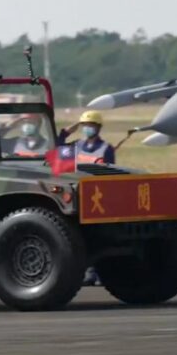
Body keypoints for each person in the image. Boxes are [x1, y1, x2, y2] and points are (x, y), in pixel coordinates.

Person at [59, 110, 116, 286]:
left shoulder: (106, 149)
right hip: (79, 196)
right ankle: (86, 272)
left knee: (98, 237)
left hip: (99, 198)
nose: (87, 129)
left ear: (98, 128)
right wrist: (69, 130)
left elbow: (110, 173)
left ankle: (97, 272)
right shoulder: (75, 146)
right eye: (85, 126)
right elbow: (57, 144)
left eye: (90, 126)